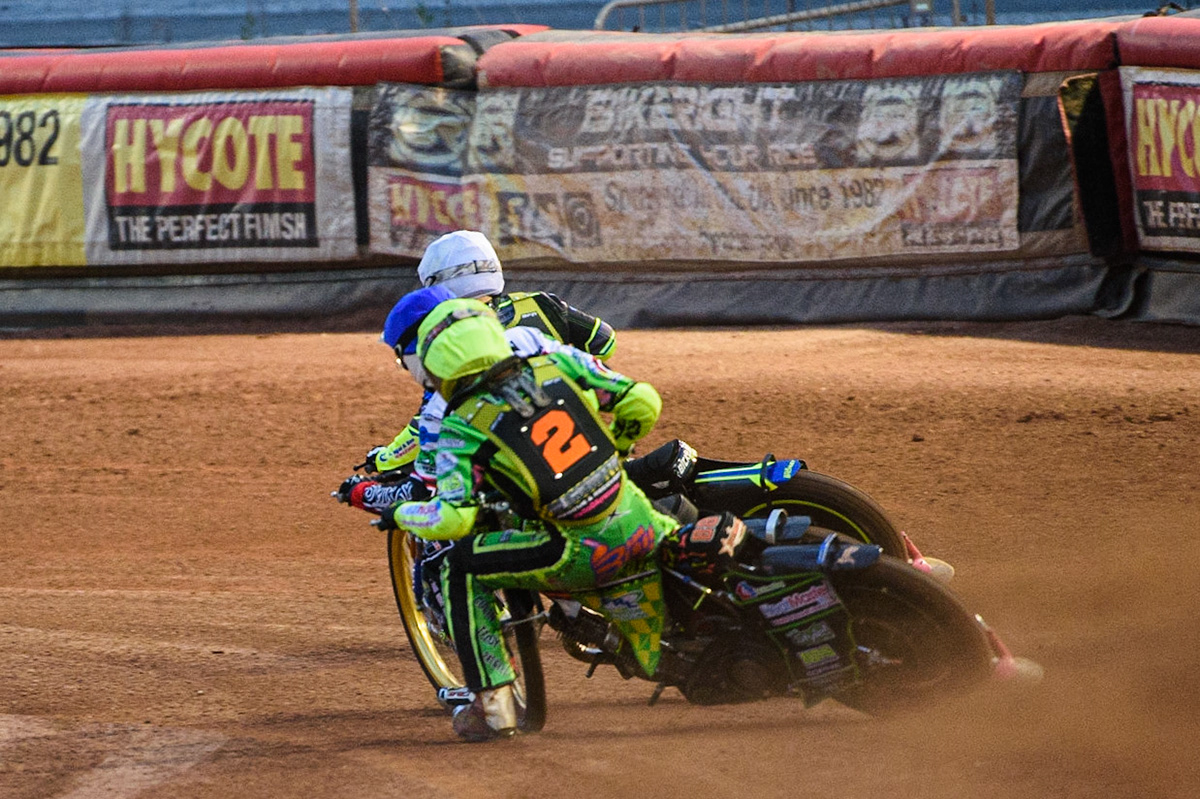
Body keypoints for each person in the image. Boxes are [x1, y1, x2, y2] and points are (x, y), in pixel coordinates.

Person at [374, 298, 692, 742]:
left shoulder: (460, 427)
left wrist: (398, 512)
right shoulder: (555, 361)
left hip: (578, 550)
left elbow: (452, 519)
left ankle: (495, 707)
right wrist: (616, 449)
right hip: (640, 519)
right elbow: (642, 401)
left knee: (461, 567)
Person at [356, 229, 617, 478]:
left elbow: (428, 422)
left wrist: (384, 458)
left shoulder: (453, 339)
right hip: (579, 437)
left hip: (512, 458)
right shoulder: (542, 304)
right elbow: (604, 343)